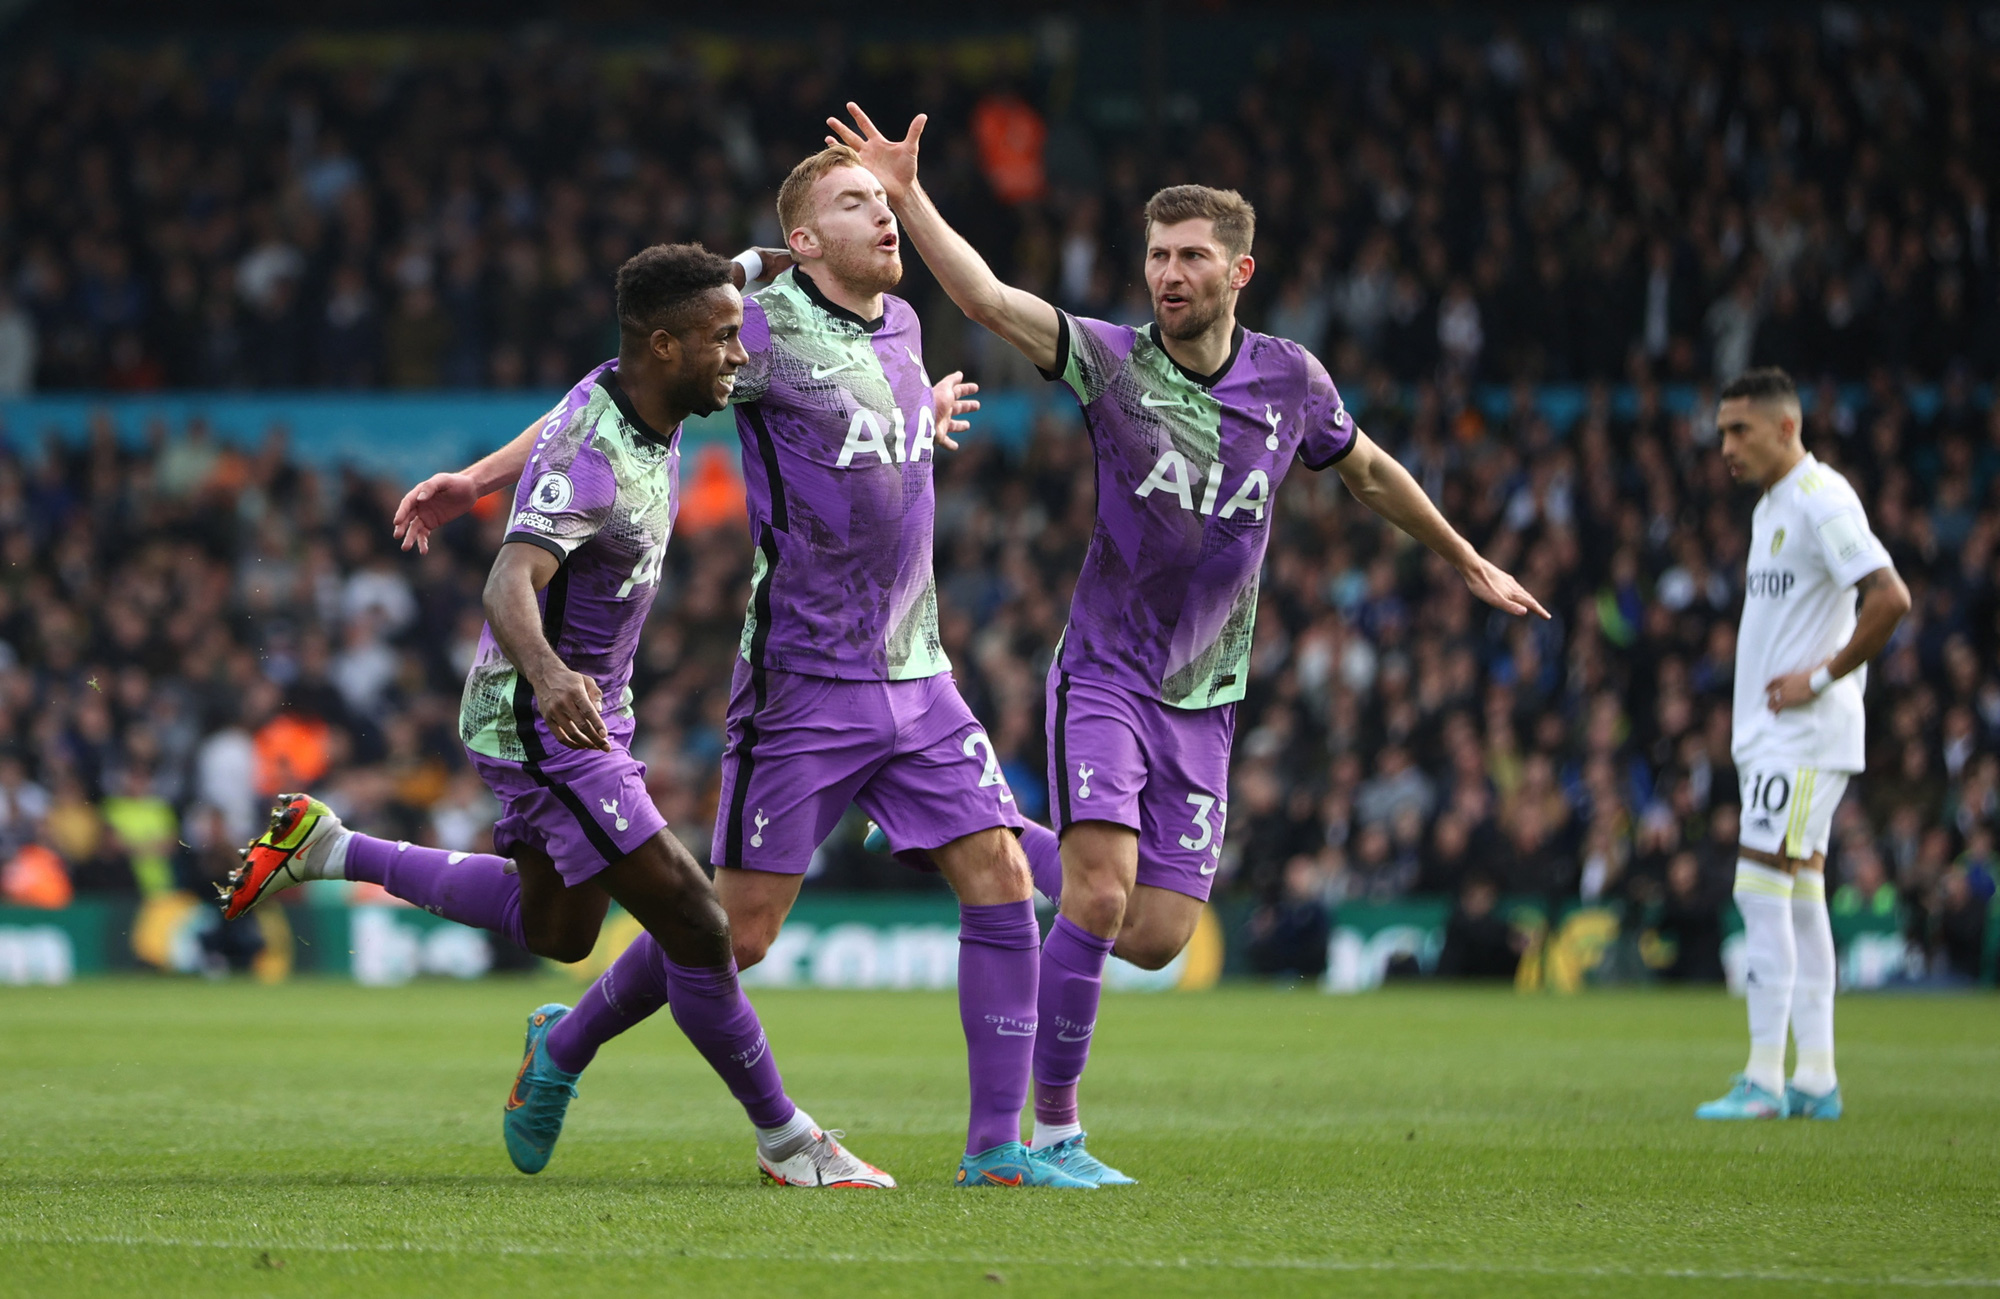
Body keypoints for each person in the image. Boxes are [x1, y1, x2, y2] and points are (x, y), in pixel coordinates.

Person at [826, 103, 1547, 1180]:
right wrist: (906, 190)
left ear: (1237, 270)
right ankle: (1049, 1133)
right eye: (1156, 255)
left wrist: (1462, 557)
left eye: (1190, 256)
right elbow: (982, 299)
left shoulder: (1289, 383)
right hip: (1105, 675)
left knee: (1155, 936)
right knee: (1101, 894)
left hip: (1204, 696)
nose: (1167, 273)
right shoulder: (1111, 365)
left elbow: (1367, 472)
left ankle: (952, 830)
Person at [372, 146, 1088, 1190]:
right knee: (733, 936)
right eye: (858, 204)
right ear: (801, 241)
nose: (886, 220)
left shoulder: (901, 325)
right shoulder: (754, 328)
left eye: (887, 204)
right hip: (803, 684)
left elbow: (868, 437)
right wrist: (480, 481)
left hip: (917, 666)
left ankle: (996, 1152)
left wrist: (913, 422)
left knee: (1001, 874)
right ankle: (565, 1046)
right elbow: (603, 397)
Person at [220, 243, 893, 1188]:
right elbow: (508, 580)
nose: (740, 355)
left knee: (563, 930)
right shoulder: (596, 460)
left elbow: (587, 394)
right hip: (546, 721)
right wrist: (549, 676)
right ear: (666, 347)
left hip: (581, 710)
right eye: (724, 340)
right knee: (700, 924)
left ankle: (330, 848)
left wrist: (475, 477)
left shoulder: (626, 384)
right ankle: (789, 1141)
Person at [1696, 366, 1910, 1121]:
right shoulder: (1771, 507)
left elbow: (1890, 597)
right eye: (1722, 430)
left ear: (1787, 427)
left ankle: (1764, 1078)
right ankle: (1815, 1076)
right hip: (1777, 736)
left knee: (1758, 890)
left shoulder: (1823, 498)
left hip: (1803, 734)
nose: (1725, 445)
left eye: (1739, 430)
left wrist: (1818, 679)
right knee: (1802, 891)